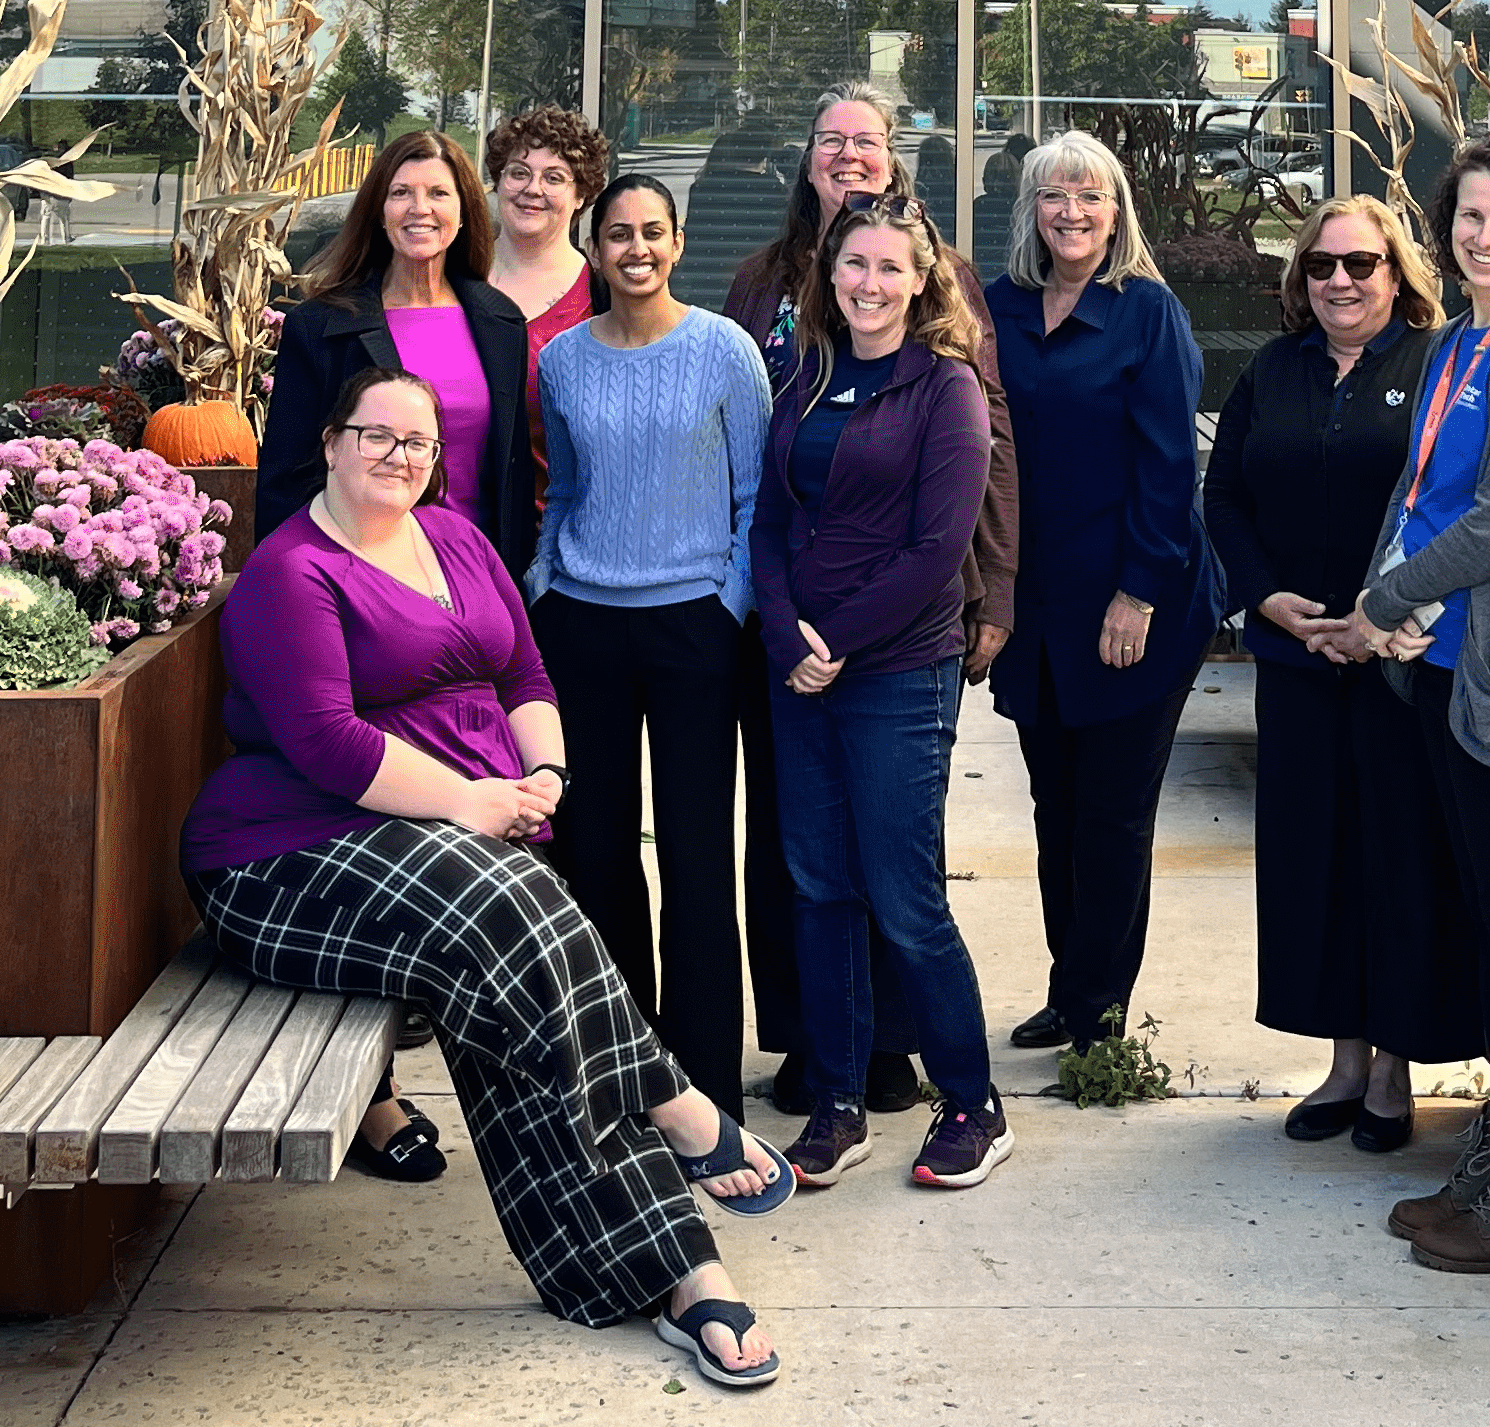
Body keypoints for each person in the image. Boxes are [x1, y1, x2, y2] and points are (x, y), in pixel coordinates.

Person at [182, 362, 790, 1388]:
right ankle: (671, 1108)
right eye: (374, 434)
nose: (397, 455)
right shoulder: (295, 572)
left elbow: (524, 673)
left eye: (416, 441)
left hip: (449, 849)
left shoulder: (456, 537)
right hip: (284, 856)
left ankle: (670, 1269)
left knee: (511, 971)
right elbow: (330, 744)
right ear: (330, 442)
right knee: (514, 900)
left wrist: (543, 768)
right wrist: (477, 800)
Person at [1318, 131, 1490, 1276]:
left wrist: (1383, 591)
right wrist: (1374, 605)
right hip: (1435, 668)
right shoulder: (1451, 340)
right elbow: (1419, 485)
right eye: (1470, 216)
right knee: (1487, 926)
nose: (1483, 235)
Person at [725, 81, 1018, 1115]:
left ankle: (957, 1091)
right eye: (852, 262)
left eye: (887, 263)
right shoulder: (784, 328)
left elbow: (947, 525)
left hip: (890, 652)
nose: (868, 278)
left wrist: (993, 586)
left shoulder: (942, 371)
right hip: (794, 651)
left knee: (902, 890)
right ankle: (830, 1077)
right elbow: (757, 494)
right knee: (813, 878)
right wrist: (781, 623)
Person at [1202, 193, 1477, 1153]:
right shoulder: (1274, 370)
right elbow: (1224, 491)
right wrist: (1265, 598)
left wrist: (1378, 617)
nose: (1342, 281)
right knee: (1313, 859)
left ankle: (1397, 1070)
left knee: (1396, 858)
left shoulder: (1437, 364)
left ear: (1398, 274)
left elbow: (1456, 502)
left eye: (1362, 264)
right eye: (1322, 266)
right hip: (1294, 657)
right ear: (1301, 280)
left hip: (1401, 660)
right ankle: (1344, 1061)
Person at [529, 172, 773, 1113]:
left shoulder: (725, 351)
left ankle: (706, 1084)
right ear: (594, 246)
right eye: (618, 232)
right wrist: (545, 579)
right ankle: (622, 1072)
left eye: (653, 232)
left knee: (697, 855)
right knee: (596, 854)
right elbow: (563, 490)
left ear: (678, 244)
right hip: (581, 621)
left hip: (693, 628)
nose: (636, 248)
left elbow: (755, 500)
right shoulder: (562, 362)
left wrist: (727, 605)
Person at [985, 130, 1224, 1065]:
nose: (1072, 212)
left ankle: (1099, 1012)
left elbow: (1171, 468)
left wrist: (1139, 594)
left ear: (1116, 211)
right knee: (1054, 804)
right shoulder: (996, 307)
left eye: (1090, 196)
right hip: (1039, 607)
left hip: (1139, 599)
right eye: (1054, 196)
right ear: (1030, 210)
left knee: (1114, 812)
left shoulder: (1147, 313)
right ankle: (1067, 984)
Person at [258, 132, 536, 575]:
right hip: (360, 577)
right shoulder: (319, 328)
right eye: (401, 193)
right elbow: (285, 484)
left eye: (439, 193)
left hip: (476, 576)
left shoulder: (501, 324)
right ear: (379, 212)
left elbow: (513, 480)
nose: (420, 208)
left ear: (463, 212)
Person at [484, 104, 611, 492]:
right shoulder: (453, 281)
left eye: (554, 177)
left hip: (564, 528)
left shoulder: (603, 297)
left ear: (580, 197)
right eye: (519, 173)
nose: (532, 189)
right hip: (459, 526)